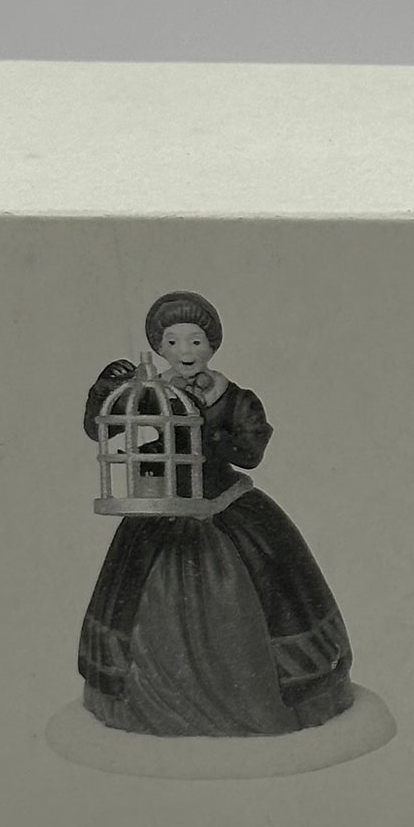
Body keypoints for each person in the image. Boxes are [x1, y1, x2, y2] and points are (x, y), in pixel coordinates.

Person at [78, 292, 353, 737]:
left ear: (212, 345)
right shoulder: (152, 394)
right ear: (160, 347)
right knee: (132, 588)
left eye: (196, 341)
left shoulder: (236, 398)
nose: (185, 352)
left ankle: (277, 692)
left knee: (270, 581)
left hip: (226, 505)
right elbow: (101, 428)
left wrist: (204, 439)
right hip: (161, 506)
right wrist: (105, 390)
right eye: (172, 342)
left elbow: (251, 452)